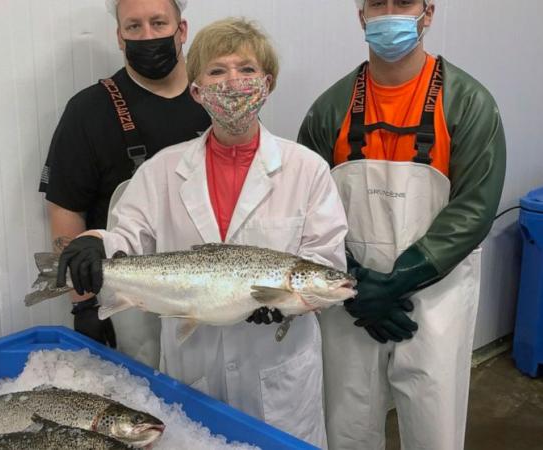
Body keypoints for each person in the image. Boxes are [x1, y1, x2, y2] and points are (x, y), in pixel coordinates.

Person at [56, 18, 348, 447]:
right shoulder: (162, 170)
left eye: (247, 70)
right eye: (216, 71)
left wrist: (288, 305)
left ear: (268, 84)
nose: (233, 82)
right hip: (193, 362)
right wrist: (95, 243)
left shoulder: (307, 169)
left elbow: (327, 261)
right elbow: (129, 236)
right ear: (196, 90)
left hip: (277, 367)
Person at [298, 1, 506, 449]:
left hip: (435, 298)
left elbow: (475, 207)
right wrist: (353, 280)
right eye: (377, 3)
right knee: (347, 424)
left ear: (428, 13)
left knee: (434, 425)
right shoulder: (329, 109)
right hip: (349, 298)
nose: (389, 12)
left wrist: (399, 280)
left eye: (404, 2)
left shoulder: (469, 104)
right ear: (361, 16)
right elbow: (307, 206)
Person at [39, 0, 210, 363]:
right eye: (134, 27)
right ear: (119, 37)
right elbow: (65, 209)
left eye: (158, 23)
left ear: (182, 30)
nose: (147, 36)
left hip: (209, 295)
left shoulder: (213, 98)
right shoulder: (87, 111)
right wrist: (82, 304)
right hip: (130, 305)